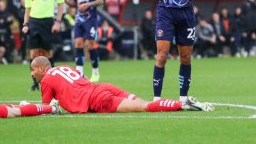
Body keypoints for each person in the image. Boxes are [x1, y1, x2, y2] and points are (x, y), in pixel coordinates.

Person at [30, 56, 214, 114]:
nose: (32, 74)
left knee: (146, 107)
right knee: (142, 102)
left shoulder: (46, 79)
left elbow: (45, 108)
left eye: (33, 69)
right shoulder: (63, 67)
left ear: (41, 68)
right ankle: (183, 104)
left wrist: (26, 106)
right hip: (103, 87)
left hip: (97, 99)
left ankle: (183, 104)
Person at [22, 0, 64, 91]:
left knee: (47, 53)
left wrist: (57, 22)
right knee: (33, 53)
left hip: (47, 22)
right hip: (33, 22)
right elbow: (27, 8)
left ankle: (51, 81)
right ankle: (35, 83)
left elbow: (61, 3)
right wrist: (25, 24)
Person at [65, 0, 104, 82]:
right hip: (78, 19)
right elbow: (74, 3)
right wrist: (65, 0)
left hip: (90, 19)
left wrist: (88, 4)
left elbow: (100, 1)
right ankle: (79, 73)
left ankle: (95, 72)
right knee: (78, 44)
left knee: (90, 45)